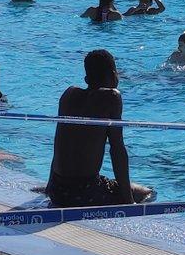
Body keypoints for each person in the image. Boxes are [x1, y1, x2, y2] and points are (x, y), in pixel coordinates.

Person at [47, 50, 152, 206]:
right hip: (84, 193)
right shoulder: (111, 97)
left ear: (87, 78)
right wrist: (128, 200)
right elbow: (117, 150)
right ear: (112, 74)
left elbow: (60, 141)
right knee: (147, 193)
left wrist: (51, 187)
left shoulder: (68, 95)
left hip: (58, 190)